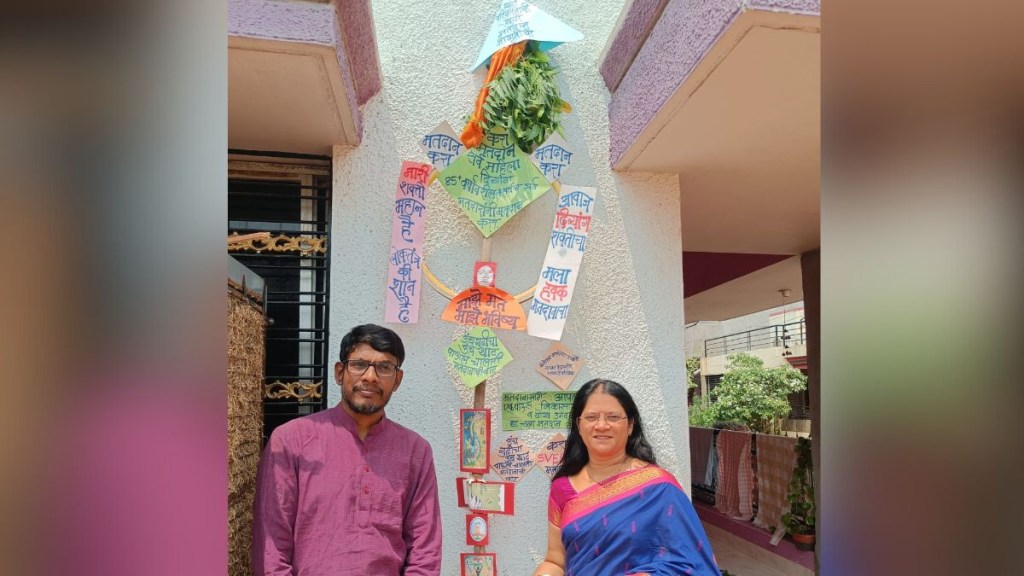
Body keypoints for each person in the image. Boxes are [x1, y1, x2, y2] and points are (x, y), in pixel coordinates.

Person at [253, 324, 441, 575]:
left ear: (397, 380)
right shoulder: (291, 440)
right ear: (339, 372)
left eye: (385, 367)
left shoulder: (415, 451)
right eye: (359, 364)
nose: (370, 377)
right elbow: (271, 546)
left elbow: (425, 549)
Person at [533, 379, 721, 576]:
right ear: (579, 425)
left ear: (630, 425)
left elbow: (692, 562)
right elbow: (555, 560)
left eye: (613, 417)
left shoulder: (659, 487)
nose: (601, 425)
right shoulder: (562, 487)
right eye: (591, 417)